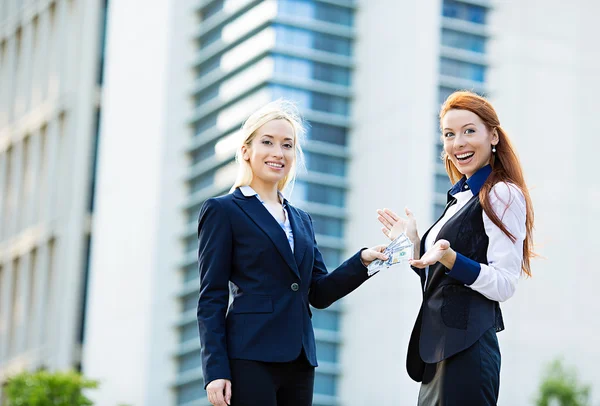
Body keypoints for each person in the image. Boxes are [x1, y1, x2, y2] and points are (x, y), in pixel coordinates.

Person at [197, 100, 388, 406]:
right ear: (246, 150)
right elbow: (211, 297)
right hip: (249, 355)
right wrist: (215, 370)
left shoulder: (301, 220)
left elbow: (319, 292)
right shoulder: (223, 211)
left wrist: (362, 262)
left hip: (299, 361)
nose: (278, 152)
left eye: (287, 145)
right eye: (267, 142)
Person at [378, 90, 535, 405]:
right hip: (440, 350)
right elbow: (440, 282)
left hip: (468, 349)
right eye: (449, 134)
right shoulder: (459, 199)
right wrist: (415, 243)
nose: (458, 143)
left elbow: (505, 284)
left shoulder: (501, 193)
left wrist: (451, 258)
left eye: (469, 131)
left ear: (493, 136)